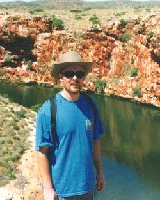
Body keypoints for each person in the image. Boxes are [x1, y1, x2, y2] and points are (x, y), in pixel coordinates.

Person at [35, 51, 105, 200]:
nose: (75, 78)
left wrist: (100, 172)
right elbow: (42, 152)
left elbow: (95, 141)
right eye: (69, 73)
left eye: (79, 73)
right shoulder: (48, 110)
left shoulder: (91, 105)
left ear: (84, 77)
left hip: (88, 188)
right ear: (61, 76)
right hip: (62, 192)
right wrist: (48, 188)